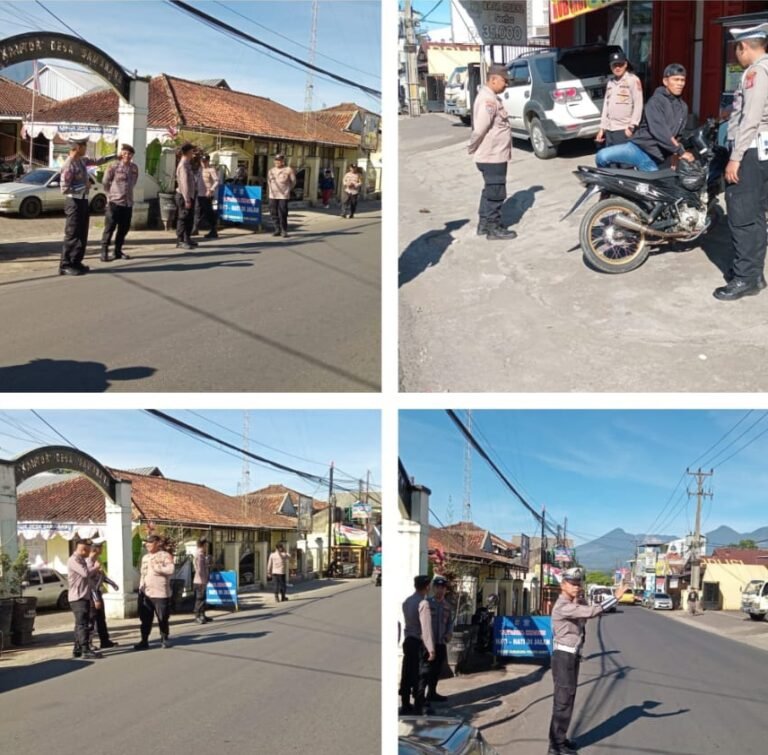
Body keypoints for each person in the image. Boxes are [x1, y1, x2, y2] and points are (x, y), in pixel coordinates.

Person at [547, 568, 627, 755]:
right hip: (563, 658)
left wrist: (580, 597)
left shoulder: (574, 603)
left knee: (568, 699)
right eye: (572, 584)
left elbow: (584, 611)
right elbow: (591, 612)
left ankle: (561, 739)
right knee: (562, 702)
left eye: (578, 584)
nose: (576, 587)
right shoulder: (562, 606)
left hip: (572, 657)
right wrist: (615, 597)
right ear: (563, 585)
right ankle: (555, 747)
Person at [715, 24, 768, 301]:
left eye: (737, 48)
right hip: (762, 151)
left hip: (749, 151)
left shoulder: (756, 72)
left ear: (744, 46)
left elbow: (751, 119)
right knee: (757, 214)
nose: (736, 54)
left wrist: (735, 159)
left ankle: (746, 278)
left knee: (742, 216)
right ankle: (755, 274)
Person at [596, 64, 695, 172]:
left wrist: (676, 155)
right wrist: (681, 151)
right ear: (665, 81)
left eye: (682, 80)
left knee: (660, 185)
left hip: (658, 157)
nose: (680, 84)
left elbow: (677, 136)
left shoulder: (683, 107)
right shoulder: (655, 102)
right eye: (676, 80)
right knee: (602, 156)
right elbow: (661, 131)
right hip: (639, 149)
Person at [468, 64, 517, 240]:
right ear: (493, 79)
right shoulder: (488, 101)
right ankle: (493, 228)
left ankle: (483, 224)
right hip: (492, 155)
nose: (506, 85)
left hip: (493, 154)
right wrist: (472, 147)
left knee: (489, 190)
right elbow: (480, 129)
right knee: (496, 192)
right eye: (504, 81)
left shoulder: (491, 98)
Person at [58, 137, 115, 275]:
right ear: (77, 147)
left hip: (83, 201)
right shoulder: (69, 165)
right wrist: (84, 185)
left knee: (82, 233)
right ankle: (65, 264)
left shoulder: (82, 161)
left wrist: (114, 156)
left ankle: (76, 261)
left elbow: (97, 161)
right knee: (72, 234)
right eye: (84, 146)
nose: (86, 149)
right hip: (74, 202)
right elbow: (64, 189)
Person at [399, 575, 434, 715]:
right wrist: (431, 649)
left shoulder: (407, 601)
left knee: (407, 673)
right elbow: (426, 629)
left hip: (408, 641)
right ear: (426, 587)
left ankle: (405, 704)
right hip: (419, 643)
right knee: (420, 675)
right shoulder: (423, 604)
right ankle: (419, 707)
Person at [595, 51, 643, 150]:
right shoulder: (610, 83)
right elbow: (606, 107)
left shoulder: (633, 80)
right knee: (611, 162)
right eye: (614, 65)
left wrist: (631, 127)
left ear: (625, 64)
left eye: (620, 65)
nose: (617, 68)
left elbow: (638, 105)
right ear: (610, 67)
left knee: (624, 163)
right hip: (610, 129)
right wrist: (602, 128)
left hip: (623, 129)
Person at [134, 534, 175, 650]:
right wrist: (141, 587)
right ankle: (144, 640)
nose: (147, 545)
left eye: (150, 542)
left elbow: (171, 569)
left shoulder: (164, 555)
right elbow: (143, 573)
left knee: (162, 617)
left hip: (160, 593)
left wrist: (158, 568)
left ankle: (164, 638)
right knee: (145, 618)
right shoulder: (145, 557)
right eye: (146, 542)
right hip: (146, 593)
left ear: (157, 543)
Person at [100, 143, 139, 262]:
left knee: (124, 228)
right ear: (121, 154)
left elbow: (134, 182)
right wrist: (110, 196)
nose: (127, 155)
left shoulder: (134, 168)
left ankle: (118, 251)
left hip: (127, 203)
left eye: (130, 154)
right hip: (114, 203)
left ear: (132, 155)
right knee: (110, 228)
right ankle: (104, 252)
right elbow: (105, 182)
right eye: (125, 153)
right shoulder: (113, 167)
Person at [419, 574, 454, 704]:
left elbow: (450, 622)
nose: (440, 590)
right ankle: (420, 697)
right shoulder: (427, 603)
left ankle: (432, 693)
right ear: (433, 588)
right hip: (428, 644)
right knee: (425, 671)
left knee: (436, 670)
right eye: (438, 587)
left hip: (440, 643)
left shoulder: (447, 606)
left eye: (443, 587)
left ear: (446, 589)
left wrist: (449, 633)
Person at [67, 538, 101, 659]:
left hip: (84, 595)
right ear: (82, 549)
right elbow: (85, 573)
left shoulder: (81, 559)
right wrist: (96, 568)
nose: (89, 552)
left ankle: (77, 648)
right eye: (87, 550)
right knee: (82, 624)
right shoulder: (74, 559)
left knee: (80, 624)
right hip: (78, 597)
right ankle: (85, 649)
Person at [87, 541, 119, 650]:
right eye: (101, 547)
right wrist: (96, 598)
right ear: (95, 549)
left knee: (101, 618)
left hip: (98, 592)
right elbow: (89, 582)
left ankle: (105, 640)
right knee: (91, 619)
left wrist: (112, 583)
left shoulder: (97, 560)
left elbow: (102, 576)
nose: (103, 550)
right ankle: (88, 643)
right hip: (91, 594)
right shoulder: (88, 562)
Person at [175, 142, 198, 250]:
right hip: (184, 196)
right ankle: (180, 241)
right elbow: (184, 184)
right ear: (187, 153)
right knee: (183, 218)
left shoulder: (187, 164)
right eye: (191, 152)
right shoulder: (183, 165)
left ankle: (187, 238)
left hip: (190, 195)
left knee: (189, 218)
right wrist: (187, 199)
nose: (193, 154)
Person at [267, 154, 296, 237]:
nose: (277, 162)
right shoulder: (271, 171)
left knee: (282, 213)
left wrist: (288, 190)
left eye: (279, 160)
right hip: (273, 195)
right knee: (273, 212)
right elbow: (269, 182)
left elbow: (293, 182)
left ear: (283, 161)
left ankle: (284, 230)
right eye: (276, 160)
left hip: (283, 195)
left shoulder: (288, 170)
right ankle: (277, 229)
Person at [192, 154, 220, 239]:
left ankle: (213, 230)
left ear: (208, 161)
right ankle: (195, 229)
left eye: (205, 161)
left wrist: (211, 189)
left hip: (207, 195)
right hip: (199, 194)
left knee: (209, 213)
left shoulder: (211, 170)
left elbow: (217, 181)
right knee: (197, 212)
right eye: (202, 161)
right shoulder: (200, 170)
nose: (203, 163)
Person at [193, 536, 213, 624]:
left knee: (203, 599)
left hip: (201, 579)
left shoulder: (201, 554)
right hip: (200, 580)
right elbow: (200, 569)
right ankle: (197, 616)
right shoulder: (200, 554)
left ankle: (202, 615)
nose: (207, 547)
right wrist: (203, 580)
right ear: (204, 544)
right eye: (206, 545)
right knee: (200, 599)